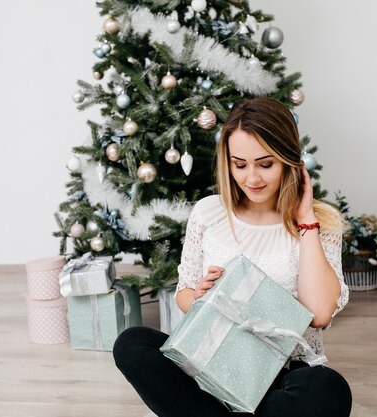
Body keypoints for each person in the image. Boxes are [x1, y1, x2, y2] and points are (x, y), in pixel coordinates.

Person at [113, 97, 352, 417]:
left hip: (284, 371)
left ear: (288, 160)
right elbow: (184, 294)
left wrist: (305, 218)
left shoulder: (320, 223)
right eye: (240, 164)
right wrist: (199, 296)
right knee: (133, 343)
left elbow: (320, 313)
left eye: (265, 164)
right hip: (212, 362)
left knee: (328, 388)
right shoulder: (208, 213)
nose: (251, 178)